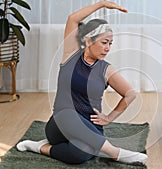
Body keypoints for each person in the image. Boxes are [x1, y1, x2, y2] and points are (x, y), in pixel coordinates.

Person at [16, 0, 148, 165]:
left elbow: (130, 94)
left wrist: (109, 117)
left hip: (90, 127)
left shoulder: (106, 70)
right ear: (88, 40)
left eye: (110, 44)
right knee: (67, 112)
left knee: (79, 155)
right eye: (104, 42)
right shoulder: (71, 55)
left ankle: (40, 147)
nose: (108, 48)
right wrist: (101, 4)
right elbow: (73, 19)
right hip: (60, 124)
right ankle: (114, 152)